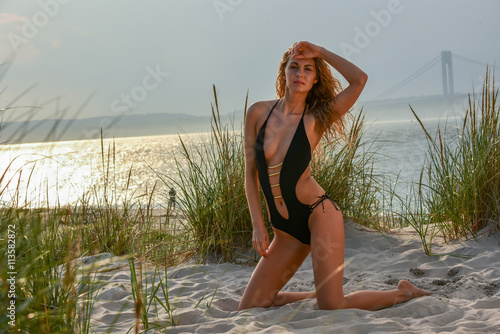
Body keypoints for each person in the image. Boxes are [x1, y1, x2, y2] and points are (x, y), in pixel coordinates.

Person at [238, 41, 430, 310]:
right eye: (293, 67)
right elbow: (250, 173)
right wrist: (258, 224)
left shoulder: (318, 118)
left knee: (333, 306)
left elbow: (359, 80)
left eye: (308, 69)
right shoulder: (257, 113)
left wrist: (322, 52)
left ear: (316, 79)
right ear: (283, 73)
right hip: (285, 231)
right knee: (250, 307)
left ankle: (405, 293)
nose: (300, 74)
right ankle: (317, 295)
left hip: (319, 215)